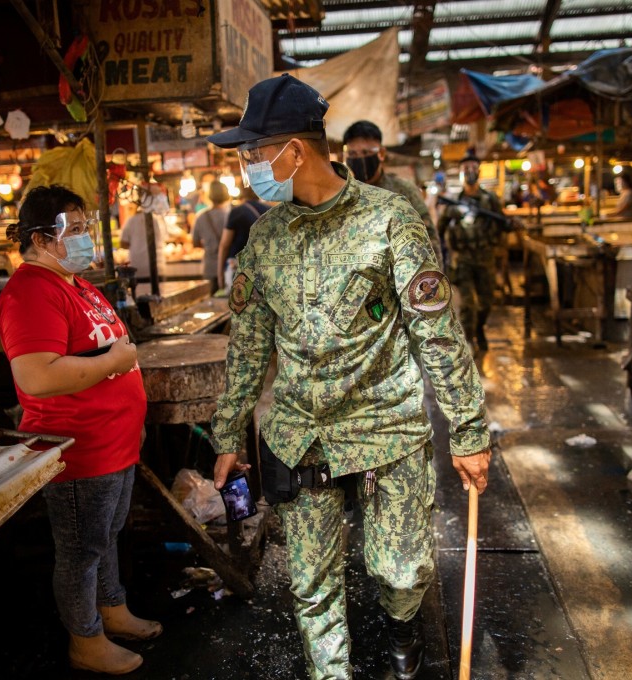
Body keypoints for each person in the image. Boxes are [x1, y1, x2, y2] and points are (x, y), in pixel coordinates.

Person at [206, 73, 491, 680]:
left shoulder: (391, 220)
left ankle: (402, 626)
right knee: (312, 582)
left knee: (401, 569)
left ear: (295, 150)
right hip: (301, 436)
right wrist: (228, 431)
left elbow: (434, 331)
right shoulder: (264, 237)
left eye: (252, 152)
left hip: (386, 427)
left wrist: (469, 431)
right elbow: (250, 343)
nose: (247, 166)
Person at [0, 185, 161, 675]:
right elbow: (37, 375)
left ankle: (112, 609)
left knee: (106, 536)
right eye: (78, 227)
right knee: (80, 551)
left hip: (114, 443)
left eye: (88, 225)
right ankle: (85, 640)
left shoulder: (75, 283)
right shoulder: (29, 292)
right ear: (44, 238)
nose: (89, 236)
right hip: (77, 450)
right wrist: (116, 361)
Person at [438, 150, 514, 351]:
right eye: (466, 168)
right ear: (461, 172)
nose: (470, 172)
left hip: (485, 257)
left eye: (473, 168)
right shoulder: (454, 202)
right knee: (468, 303)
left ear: (479, 171)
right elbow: (440, 229)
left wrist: (512, 224)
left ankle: (480, 327)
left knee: (487, 301)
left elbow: (503, 222)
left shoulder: (489, 200)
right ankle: (470, 337)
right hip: (462, 259)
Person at [342, 120, 441, 264]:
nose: (359, 158)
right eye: (353, 153)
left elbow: (428, 237)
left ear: (381, 153)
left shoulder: (404, 191)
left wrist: (432, 280)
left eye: (366, 152)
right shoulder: (344, 194)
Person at [119, 185, 185, 280]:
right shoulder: (158, 219)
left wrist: (137, 243)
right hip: (156, 268)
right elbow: (173, 236)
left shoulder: (131, 221)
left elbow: (123, 244)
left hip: (137, 268)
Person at [217, 185, 269, 291]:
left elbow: (225, 245)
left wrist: (220, 275)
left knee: (239, 304)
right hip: (262, 269)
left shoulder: (237, 212)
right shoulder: (270, 211)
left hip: (239, 269)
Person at [191, 180, 230, 293]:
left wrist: (209, 245)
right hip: (229, 267)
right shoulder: (231, 214)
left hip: (210, 267)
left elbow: (195, 242)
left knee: (211, 303)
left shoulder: (201, 217)